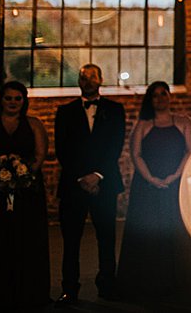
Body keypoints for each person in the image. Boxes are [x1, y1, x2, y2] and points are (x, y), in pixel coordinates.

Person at [116, 81, 191, 297]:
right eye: (155, 95)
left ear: (170, 97)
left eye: (164, 94)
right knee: (147, 232)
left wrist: (174, 176)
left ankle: (176, 283)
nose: (160, 98)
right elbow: (136, 155)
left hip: (175, 185)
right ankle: (146, 283)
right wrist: (151, 178)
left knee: (174, 232)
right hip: (146, 187)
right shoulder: (142, 125)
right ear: (150, 100)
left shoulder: (183, 122)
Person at [54, 63, 126, 305]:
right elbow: (62, 149)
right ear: (79, 82)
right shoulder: (64, 112)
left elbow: (115, 145)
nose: (88, 81)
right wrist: (81, 177)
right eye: (83, 77)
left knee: (106, 238)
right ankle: (69, 288)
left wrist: (97, 175)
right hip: (73, 185)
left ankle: (107, 285)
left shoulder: (116, 111)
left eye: (92, 76)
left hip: (104, 183)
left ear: (101, 80)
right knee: (71, 240)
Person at [0, 81, 50, 309]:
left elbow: (41, 154)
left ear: (24, 101)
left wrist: (20, 176)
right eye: (8, 98)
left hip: (27, 193)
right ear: (1, 100)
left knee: (27, 241)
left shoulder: (33, 124)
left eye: (17, 98)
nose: (13, 102)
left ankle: (29, 292)